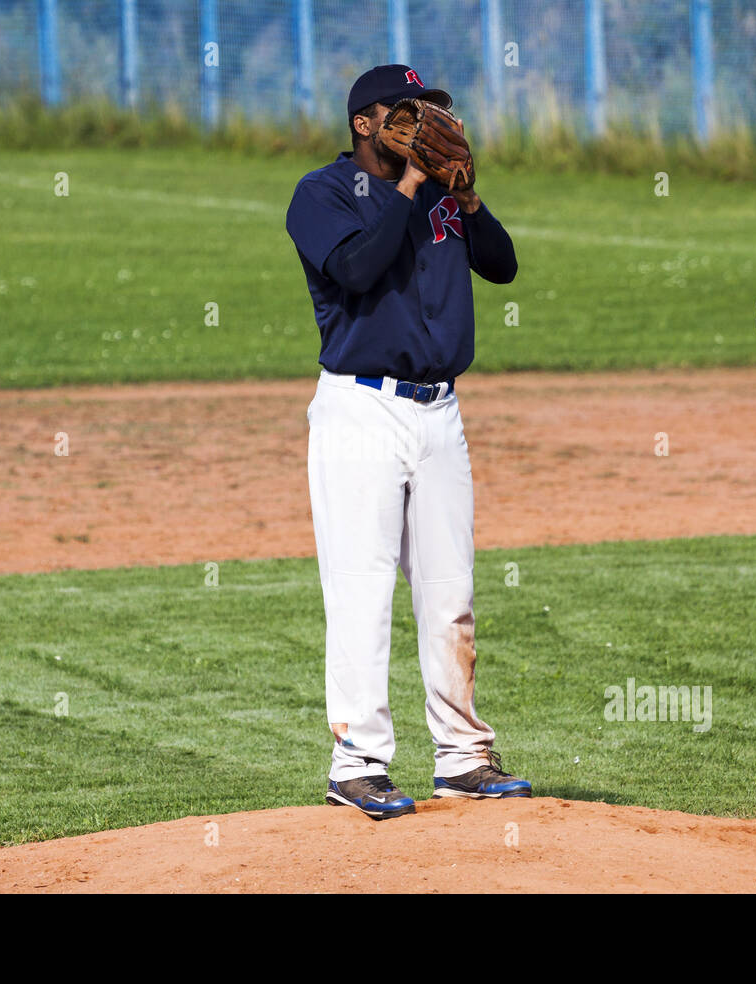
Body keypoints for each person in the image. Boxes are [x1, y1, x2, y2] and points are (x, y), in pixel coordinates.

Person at [284, 64, 531, 819]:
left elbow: (503, 265)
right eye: (405, 111)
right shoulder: (320, 195)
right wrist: (409, 187)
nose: (423, 122)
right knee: (361, 593)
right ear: (364, 123)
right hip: (362, 413)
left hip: (440, 416)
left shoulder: (440, 199)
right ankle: (356, 763)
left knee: (449, 593)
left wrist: (467, 196)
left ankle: (462, 759)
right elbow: (356, 270)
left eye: (430, 111)